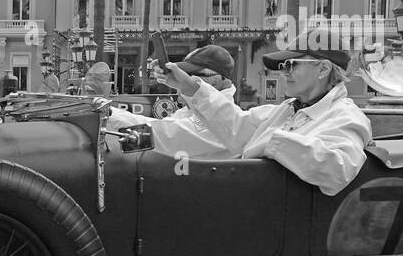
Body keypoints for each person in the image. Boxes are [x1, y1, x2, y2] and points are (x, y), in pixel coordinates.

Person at [156, 43, 372, 196]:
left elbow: (337, 170)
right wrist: (191, 87)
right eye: (282, 66)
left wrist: (272, 142)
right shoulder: (289, 108)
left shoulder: (345, 116)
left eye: (291, 65)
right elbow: (237, 126)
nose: (283, 73)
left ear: (323, 69)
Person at [106, 44, 238, 159]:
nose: (181, 78)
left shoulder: (222, 118)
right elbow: (161, 127)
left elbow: (166, 135)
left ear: (214, 81)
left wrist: (108, 113)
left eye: (189, 75)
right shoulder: (190, 110)